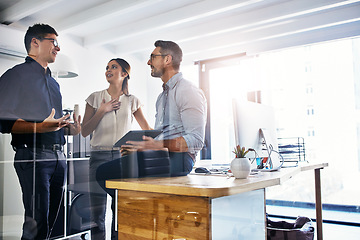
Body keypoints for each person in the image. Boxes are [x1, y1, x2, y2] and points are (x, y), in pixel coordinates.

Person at [0, 23, 81, 239]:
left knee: (52, 225)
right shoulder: (14, 76)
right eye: (54, 41)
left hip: (58, 157)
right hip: (33, 156)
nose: (58, 48)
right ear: (35, 42)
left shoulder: (54, 84)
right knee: (37, 223)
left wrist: (70, 129)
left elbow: (53, 125)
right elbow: (4, 123)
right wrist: (41, 127)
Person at [81, 58, 151, 240]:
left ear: (125, 73)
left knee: (120, 209)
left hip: (123, 158)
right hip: (98, 157)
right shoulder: (94, 98)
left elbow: (147, 129)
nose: (108, 70)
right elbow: (84, 131)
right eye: (107, 67)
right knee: (97, 212)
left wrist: (165, 138)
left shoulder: (132, 100)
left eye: (114, 67)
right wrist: (102, 110)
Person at [121, 40, 207, 176]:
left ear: (167, 59)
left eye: (153, 57)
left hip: (180, 159)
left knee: (113, 170)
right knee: (112, 166)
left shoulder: (188, 90)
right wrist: (141, 148)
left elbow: (196, 141)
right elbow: (161, 137)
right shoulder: (161, 98)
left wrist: (156, 145)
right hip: (162, 155)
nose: (148, 62)